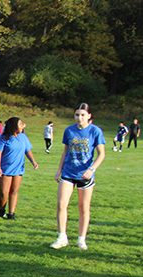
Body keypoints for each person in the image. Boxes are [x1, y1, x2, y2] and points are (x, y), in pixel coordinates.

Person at [50, 103, 106, 250]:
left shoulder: (95, 131)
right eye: (77, 114)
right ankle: (62, 237)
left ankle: (81, 239)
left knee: (83, 207)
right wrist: (59, 170)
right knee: (62, 204)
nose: (79, 118)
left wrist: (91, 169)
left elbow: (102, 154)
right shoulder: (69, 131)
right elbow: (65, 152)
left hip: (85, 176)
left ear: (89, 116)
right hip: (68, 173)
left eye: (82, 115)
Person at [0, 116, 39, 219]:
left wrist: (33, 161)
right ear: (14, 127)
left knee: (14, 191)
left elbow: (27, 150)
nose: (22, 125)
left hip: (18, 168)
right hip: (5, 169)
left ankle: (11, 213)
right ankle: (1, 211)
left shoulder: (23, 137)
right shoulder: (4, 138)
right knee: (4, 192)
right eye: (20, 124)